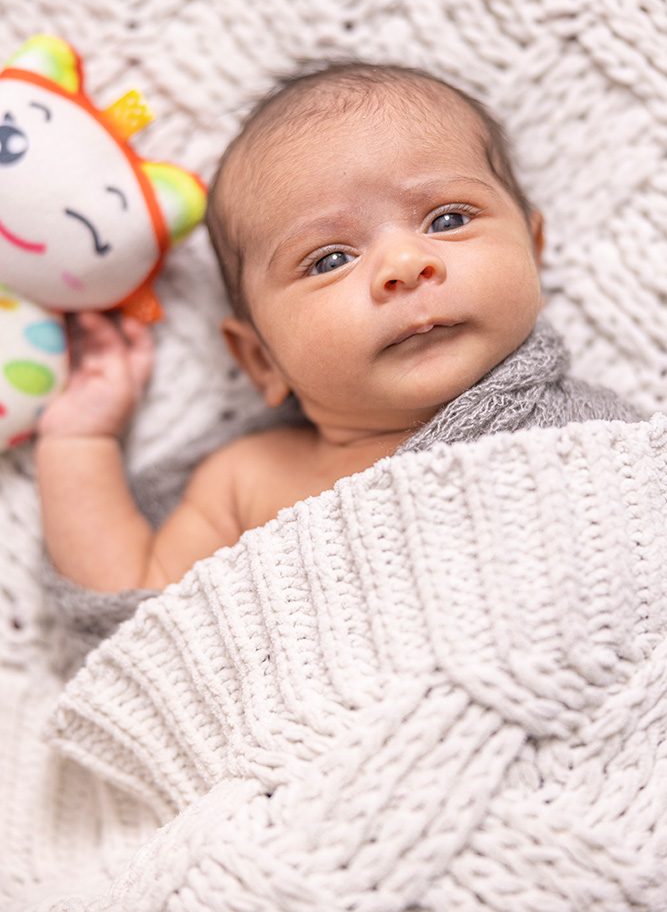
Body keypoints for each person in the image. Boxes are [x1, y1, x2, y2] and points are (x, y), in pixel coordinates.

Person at [35, 62, 635, 592]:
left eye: (447, 219)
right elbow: (137, 610)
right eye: (330, 259)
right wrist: (79, 442)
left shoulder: (600, 440)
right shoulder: (247, 481)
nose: (403, 265)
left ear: (533, 249)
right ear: (261, 361)